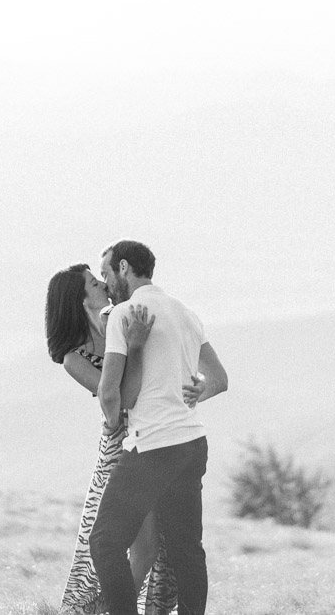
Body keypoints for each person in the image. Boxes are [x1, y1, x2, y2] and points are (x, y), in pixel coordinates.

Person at [46, 262, 196, 614]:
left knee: (157, 547)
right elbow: (117, 399)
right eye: (93, 284)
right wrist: (136, 347)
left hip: (157, 435)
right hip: (122, 449)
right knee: (141, 546)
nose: (103, 285)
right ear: (81, 300)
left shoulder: (122, 321)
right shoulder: (74, 358)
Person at [89, 240, 228, 615]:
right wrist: (199, 390)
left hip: (152, 446)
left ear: (123, 268)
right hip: (192, 443)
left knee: (105, 542)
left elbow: (111, 394)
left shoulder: (125, 314)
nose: (107, 284)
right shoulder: (185, 312)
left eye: (106, 274)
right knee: (187, 549)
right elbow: (219, 379)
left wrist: (113, 423)